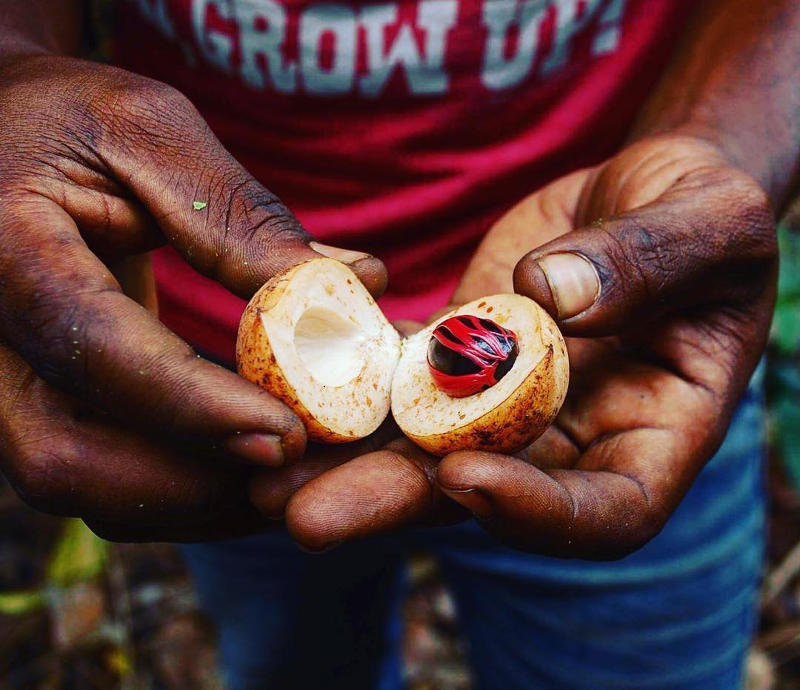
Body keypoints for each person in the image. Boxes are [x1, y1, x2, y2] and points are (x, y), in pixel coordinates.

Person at [0, 0, 796, 687]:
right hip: (198, 365)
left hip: (624, 348)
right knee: (292, 664)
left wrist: (717, 148)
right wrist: (12, 73)